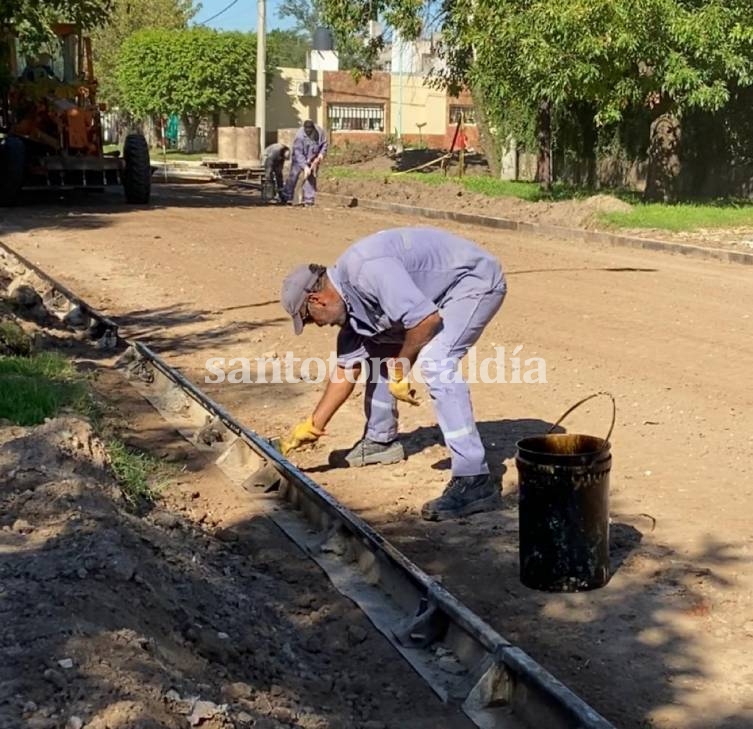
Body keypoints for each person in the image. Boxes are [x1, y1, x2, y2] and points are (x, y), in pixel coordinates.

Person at [278, 226, 507, 521]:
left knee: (437, 360)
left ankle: (474, 478)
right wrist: (310, 426)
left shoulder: (367, 271)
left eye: (310, 320)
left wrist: (401, 368)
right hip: (437, 294)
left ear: (317, 300)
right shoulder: (349, 299)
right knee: (376, 341)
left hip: (472, 283)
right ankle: (380, 440)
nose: (317, 326)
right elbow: (346, 370)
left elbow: (425, 321)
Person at [281, 120, 327, 206]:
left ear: (314, 129)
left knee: (311, 178)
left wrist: (321, 154)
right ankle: (287, 196)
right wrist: (305, 167)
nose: (309, 133)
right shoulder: (300, 136)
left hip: (313, 157)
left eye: (311, 132)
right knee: (294, 175)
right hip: (299, 158)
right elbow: (298, 153)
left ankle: (309, 200)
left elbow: (324, 144)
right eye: (307, 132)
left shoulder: (320, 132)